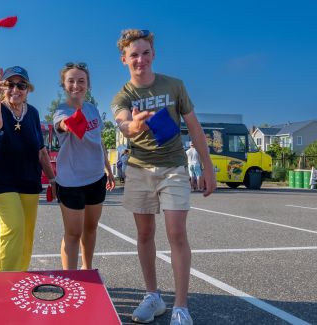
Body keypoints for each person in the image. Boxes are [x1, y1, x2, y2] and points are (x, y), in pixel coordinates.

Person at [111, 29, 216, 325]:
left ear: (153, 54)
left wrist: (207, 168)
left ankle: (181, 307)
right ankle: (153, 296)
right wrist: (135, 125)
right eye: (134, 55)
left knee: (176, 233)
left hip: (174, 167)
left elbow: (194, 128)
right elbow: (123, 125)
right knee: (144, 234)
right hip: (139, 169)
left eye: (145, 53)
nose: (140, 59)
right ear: (124, 59)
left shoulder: (175, 86)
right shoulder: (123, 95)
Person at [0, 66, 56, 272]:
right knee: (12, 227)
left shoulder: (32, 113)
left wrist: (52, 180)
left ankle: (19, 276)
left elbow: (41, 150)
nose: (16, 89)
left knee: (27, 232)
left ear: (28, 89)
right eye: (10, 84)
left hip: (28, 180)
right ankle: (3, 282)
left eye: (21, 85)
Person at [53, 62, 115, 270]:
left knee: (90, 228)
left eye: (81, 81)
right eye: (71, 81)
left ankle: (87, 271)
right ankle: (70, 280)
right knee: (73, 233)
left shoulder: (93, 109)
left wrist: (108, 169)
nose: (76, 85)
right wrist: (68, 123)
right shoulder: (61, 110)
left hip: (96, 177)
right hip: (71, 181)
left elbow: (99, 141)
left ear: (87, 85)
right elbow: (61, 125)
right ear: (64, 84)